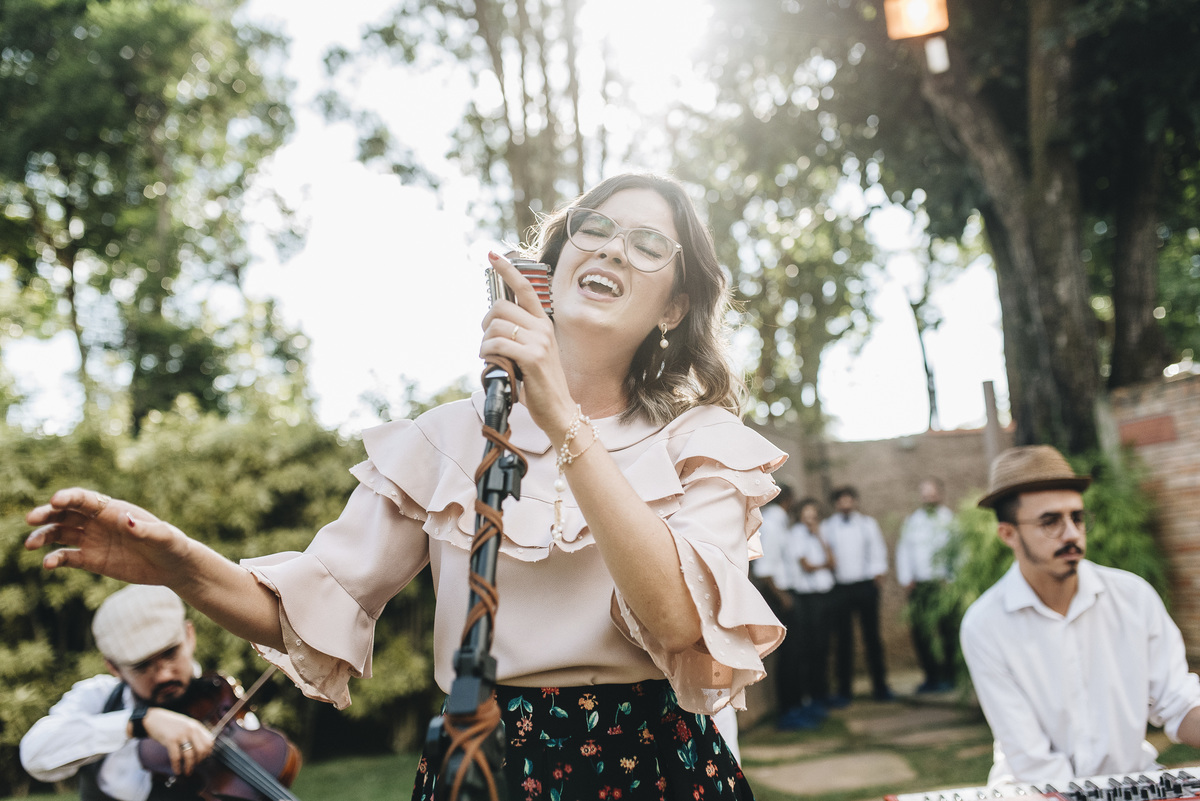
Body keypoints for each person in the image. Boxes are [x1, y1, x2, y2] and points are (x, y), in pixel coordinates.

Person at [25, 173, 787, 800]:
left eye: (649, 243)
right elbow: (310, 604)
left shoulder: (704, 445)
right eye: (594, 227)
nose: (614, 248)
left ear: (675, 307)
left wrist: (562, 420)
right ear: (551, 268)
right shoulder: (449, 438)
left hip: (653, 769)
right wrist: (176, 561)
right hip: (488, 766)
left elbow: (681, 620)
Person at [961, 445, 1200, 786]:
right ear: (1008, 534)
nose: (1072, 533)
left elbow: (1178, 701)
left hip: (1131, 784)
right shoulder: (984, 625)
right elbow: (1033, 761)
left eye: (1076, 517)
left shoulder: (1133, 597)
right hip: (1036, 792)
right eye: (1050, 522)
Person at [19, 585, 224, 801]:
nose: (163, 675)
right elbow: (34, 756)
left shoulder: (226, 704)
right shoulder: (100, 697)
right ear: (114, 668)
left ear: (189, 636)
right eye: (142, 666)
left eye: (170, 653)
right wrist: (139, 722)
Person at [822, 485, 893, 703]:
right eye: (841, 500)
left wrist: (877, 576)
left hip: (865, 586)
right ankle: (844, 691)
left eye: (849, 499)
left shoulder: (867, 524)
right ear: (835, 504)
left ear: (855, 501)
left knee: (872, 637)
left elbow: (878, 551)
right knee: (843, 640)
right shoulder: (827, 527)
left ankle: (880, 687)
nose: (845, 503)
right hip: (840, 588)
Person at [749, 483, 806, 729]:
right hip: (779, 595)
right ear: (788, 500)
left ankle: (796, 706)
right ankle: (788, 712)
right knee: (788, 655)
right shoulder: (772, 524)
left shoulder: (779, 522)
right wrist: (783, 597)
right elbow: (765, 569)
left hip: (786, 592)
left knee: (794, 655)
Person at [895, 477, 958, 693]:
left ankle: (950, 675)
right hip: (919, 586)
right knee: (921, 632)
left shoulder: (949, 520)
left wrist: (951, 579)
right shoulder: (912, 521)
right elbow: (904, 551)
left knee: (947, 630)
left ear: (940, 494)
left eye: (932, 492)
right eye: (925, 493)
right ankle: (931, 677)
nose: (928, 496)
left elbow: (957, 553)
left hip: (943, 584)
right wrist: (907, 579)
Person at [781, 497, 836, 726]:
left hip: (825, 595)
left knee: (823, 646)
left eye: (814, 516)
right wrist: (824, 564)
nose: (810, 520)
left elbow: (833, 562)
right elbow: (807, 566)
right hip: (807, 598)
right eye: (806, 515)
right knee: (810, 648)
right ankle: (810, 698)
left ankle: (821, 695)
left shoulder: (820, 533)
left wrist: (819, 538)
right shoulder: (795, 535)